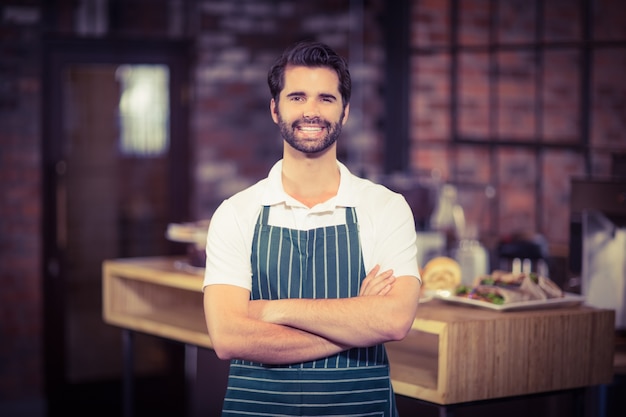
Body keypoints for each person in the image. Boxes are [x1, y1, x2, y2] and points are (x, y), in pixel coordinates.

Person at [203, 40, 421, 417]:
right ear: (275, 108)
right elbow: (227, 337)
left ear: (345, 111)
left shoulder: (386, 208)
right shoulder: (236, 213)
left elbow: (394, 320)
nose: (311, 111)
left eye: (326, 98)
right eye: (297, 97)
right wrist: (357, 324)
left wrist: (270, 310)